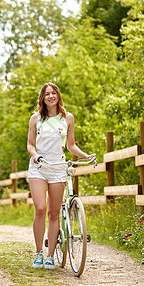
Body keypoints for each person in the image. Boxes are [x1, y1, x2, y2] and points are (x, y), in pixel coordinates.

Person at [27, 82, 93, 269]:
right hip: (39, 166)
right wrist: (36, 155)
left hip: (58, 166)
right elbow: (30, 145)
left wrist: (85, 155)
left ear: (58, 96)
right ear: (43, 98)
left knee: (54, 213)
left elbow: (71, 145)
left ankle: (50, 256)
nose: (50, 96)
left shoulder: (68, 118)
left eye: (53, 93)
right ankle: (39, 252)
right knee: (40, 208)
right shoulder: (35, 118)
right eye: (47, 94)